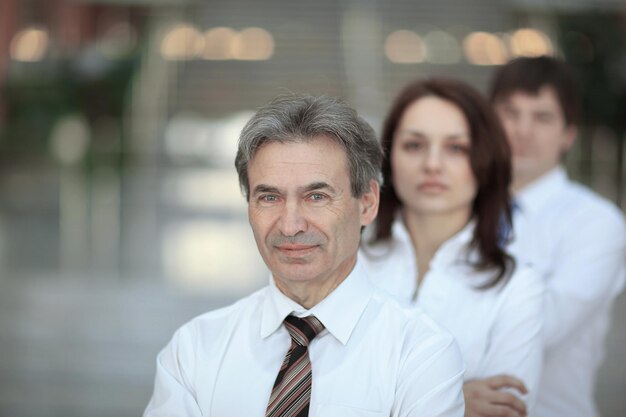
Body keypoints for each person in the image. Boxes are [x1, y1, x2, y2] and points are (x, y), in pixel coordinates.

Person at [144, 94, 466, 417]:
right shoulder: (194, 350)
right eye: (269, 197)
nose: (291, 225)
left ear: (367, 203)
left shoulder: (422, 354)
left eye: (316, 196)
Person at [361, 78, 544, 417]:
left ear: (486, 161)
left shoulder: (517, 285)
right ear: (389, 160)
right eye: (414, 145)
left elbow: (505, 408)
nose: (432, 164)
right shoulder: (348, 261)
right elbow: (310, 390)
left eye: (456, 148)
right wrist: (455, 400)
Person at [490, 56, 626, 417]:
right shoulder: (457, 207)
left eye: (542, 117)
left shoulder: (597, 223)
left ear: (569, 134)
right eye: (510, 112)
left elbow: (540, 329)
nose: (523, 130)